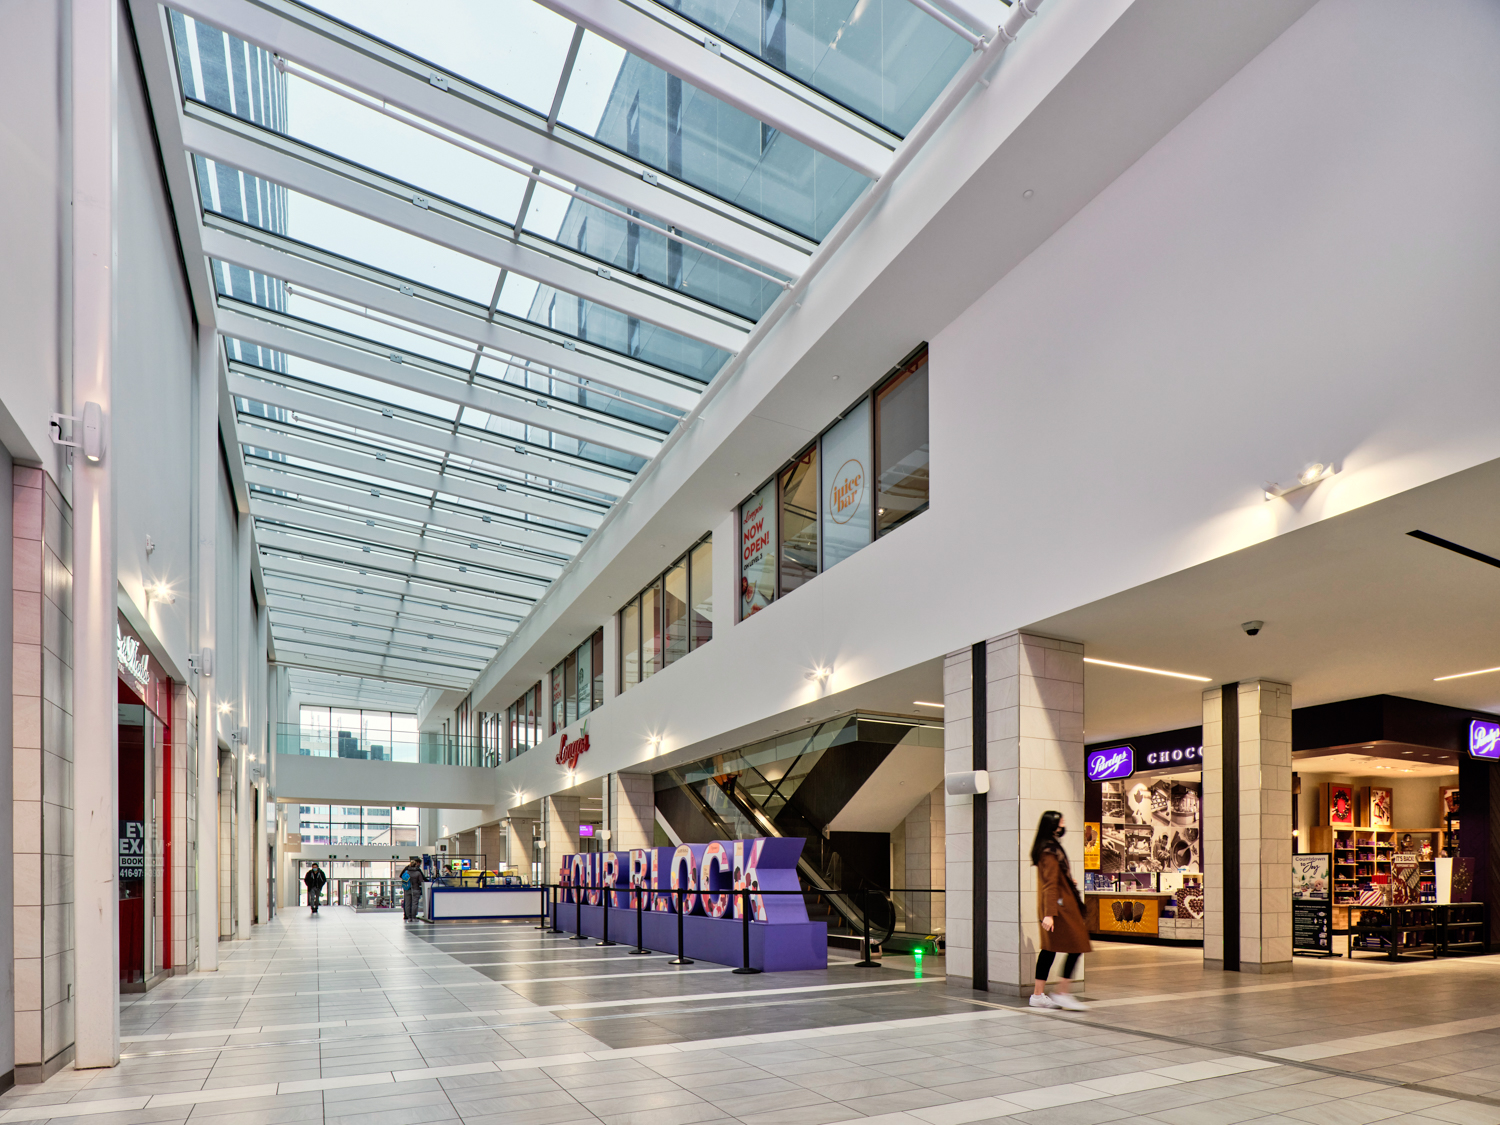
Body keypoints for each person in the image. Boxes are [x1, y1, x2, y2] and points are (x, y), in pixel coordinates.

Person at [1030, 810, 1091, 1011]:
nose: (1064, 825)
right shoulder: (1049, 850)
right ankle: (1061, 993)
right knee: (1077, 944)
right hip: (1060, 908)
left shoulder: (1049, 846)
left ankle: (1038, 995)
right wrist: (1049, 913)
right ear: (1054, 825)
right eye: (1061, 822)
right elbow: (1049, 884)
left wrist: (1068, 880)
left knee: (1049, 950)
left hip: (1059, 905)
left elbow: (1055, 879)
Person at [401, 857, 426, 922]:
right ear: (416, 865)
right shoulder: (418, 872)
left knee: (407, 903)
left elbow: (401, 876)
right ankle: (413, 917)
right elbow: (421, 881)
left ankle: (408, 917)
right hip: (416, 889)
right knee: (414, 903)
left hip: (407, 889)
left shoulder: (406, 872)